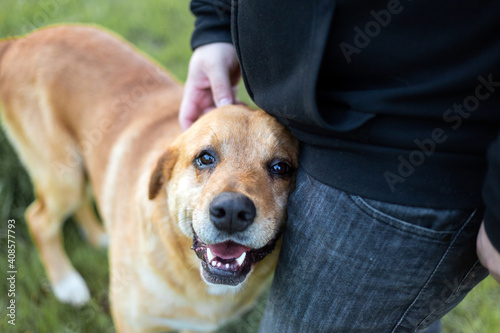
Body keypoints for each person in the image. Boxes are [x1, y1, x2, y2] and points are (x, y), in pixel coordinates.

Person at [180, 1, 500, 331]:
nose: (233, 200)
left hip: (402, 163)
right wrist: (216, 23)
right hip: (317, 124)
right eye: (206, 160)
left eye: (278, 168)